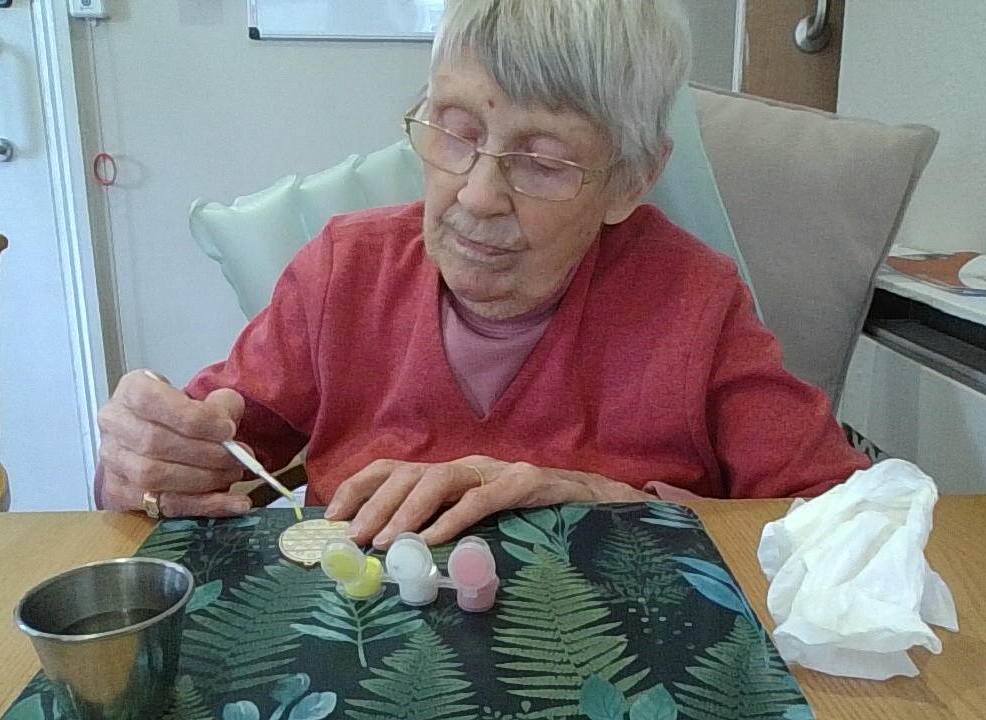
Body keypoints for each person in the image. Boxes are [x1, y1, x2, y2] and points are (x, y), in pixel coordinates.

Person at [95, 0, 869, 550]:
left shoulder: (694, 302)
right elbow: (191, 465)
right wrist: (144, 461)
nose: (475, 196)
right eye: (456, 132)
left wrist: (608, 504)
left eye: (544, 161)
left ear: (631, 180)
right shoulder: (343, 274)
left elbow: (852, 522)